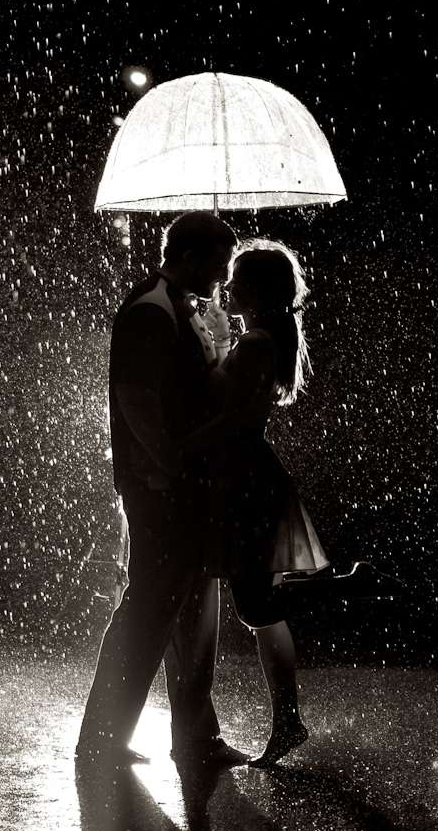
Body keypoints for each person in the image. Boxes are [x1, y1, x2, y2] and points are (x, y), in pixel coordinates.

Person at [189, 238, 390, 768]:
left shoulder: (256, 344)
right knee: (260, 612)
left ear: (253, 288)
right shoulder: (260, 337)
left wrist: (187, 434)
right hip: (248, 476)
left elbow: (230, 416)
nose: (224, 286)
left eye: (234, 279)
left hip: (244, 481)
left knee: (256, 605)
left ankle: (343, 587)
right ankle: (288, 721)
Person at [76, 211, 249, 772]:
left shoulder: (183, 308)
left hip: (183, 483)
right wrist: (169, 466)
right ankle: (104, 735)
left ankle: (193, 735)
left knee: (194, 609)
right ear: (191, 258)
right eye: (219, 263)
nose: (225, 275)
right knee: (152, 607)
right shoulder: (150, 312)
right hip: (163, 487)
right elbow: (136, 401)